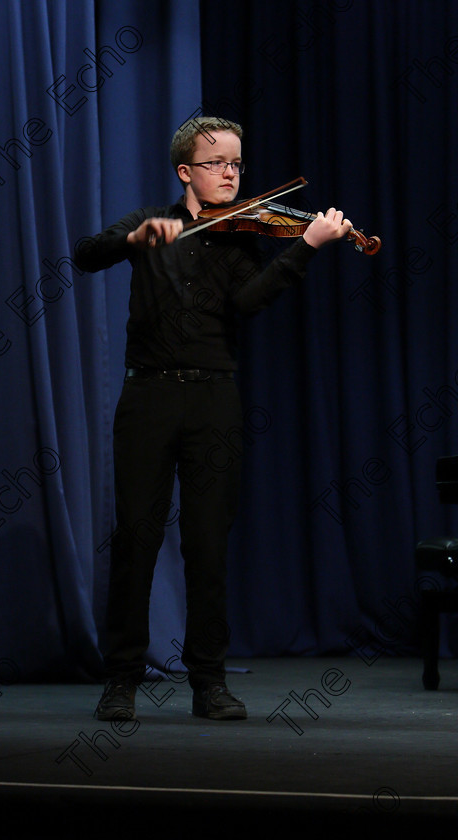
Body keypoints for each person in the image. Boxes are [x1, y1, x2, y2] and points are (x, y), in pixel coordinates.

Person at [75, 116, 351, 721]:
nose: (230, 173)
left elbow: (248, 304)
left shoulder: (243, 238)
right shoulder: (153, 224)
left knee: (207, 545)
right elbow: (83, 255)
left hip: (214, 402)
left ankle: (209, 683)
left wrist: (304, 248)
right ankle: (121, 680)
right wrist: (132, 240)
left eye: (236, 163)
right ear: (186, 172)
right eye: (217, 163)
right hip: (148, 398)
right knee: (136, 540)